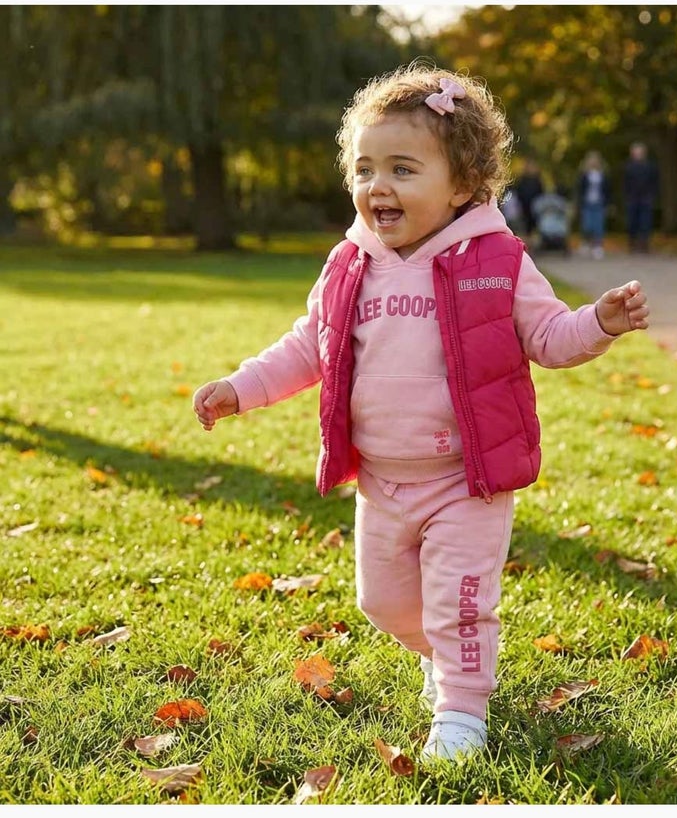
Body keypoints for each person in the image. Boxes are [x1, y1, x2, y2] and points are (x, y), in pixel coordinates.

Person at [192, 63, 649, 762]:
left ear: (462, 185)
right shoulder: (350, 263)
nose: (379, 187)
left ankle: (463, 711)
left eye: (404, 169)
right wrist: (240, 387)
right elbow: (308, 346)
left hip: (467, 476)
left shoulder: (497, 260)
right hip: (383, 480)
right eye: (365, 168)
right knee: (384, 605)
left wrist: (601, 321)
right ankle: (444, 656)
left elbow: (552, 338)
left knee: (462, 602)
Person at [623, 142, 659, 253]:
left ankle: (644, 244)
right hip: (633, 198)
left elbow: (655, 182)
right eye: (636, 152)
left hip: (646, 198)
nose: (638, 154)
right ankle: (632, 243)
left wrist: (652, 195)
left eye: (640, 152)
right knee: (632, 222)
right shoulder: (628, 167)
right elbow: (625, 184)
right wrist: (627, 196)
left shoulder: (650, 166)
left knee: (645, 222)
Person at [576, 150, 612, 259]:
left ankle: (598, 247)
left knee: (598, 225)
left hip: (599, 203)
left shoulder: (602, 175)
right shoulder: (584, 175)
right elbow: (580, 189)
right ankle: (586, 244)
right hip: (587, 203)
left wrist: (608, 203)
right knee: (587, 224)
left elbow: (607, 190)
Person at [514, 156, 545, 242]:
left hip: (535, 206)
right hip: (524, 205)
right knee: (525, 225)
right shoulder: (522, 180)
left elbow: (541, 193)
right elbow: (518, 192)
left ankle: (532, 242)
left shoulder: (538, 180)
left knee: (534, 225)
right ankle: (527, 242)